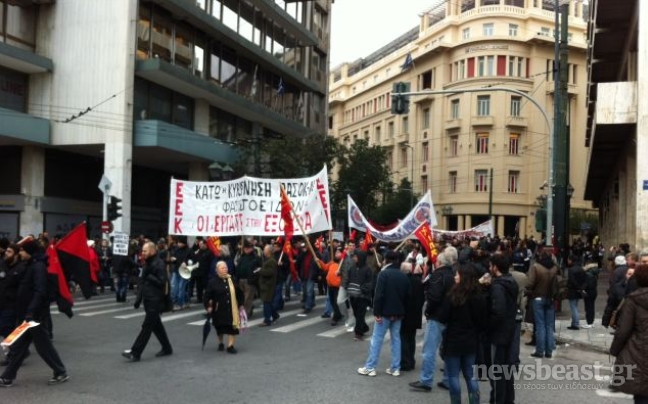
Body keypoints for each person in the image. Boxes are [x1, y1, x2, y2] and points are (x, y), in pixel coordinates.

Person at [0, 240, 69, 387]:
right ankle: (7, 377)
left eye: (22, 251)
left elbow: (40, 291)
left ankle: (60, 372)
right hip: (25, 314)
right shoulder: (30, 265)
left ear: (29, 252)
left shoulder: (38, 267)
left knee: (43, 347)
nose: (20, 253)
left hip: (33, 316)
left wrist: (31, 311)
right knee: (17, 346)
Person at [408, 248, 457, 392]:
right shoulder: (454, 274)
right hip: (451, 316)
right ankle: (448, 380)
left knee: (429, 350)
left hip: (437, 316)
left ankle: (426, 380)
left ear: (440, 262)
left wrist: (428, 311)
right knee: (448, 350)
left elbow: (434, 297)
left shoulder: (438, 275)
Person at [438, 262, 487, 404]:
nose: (455, 276)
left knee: (453, 376)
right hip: (471, 339)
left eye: (457, 274)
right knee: (470, 375)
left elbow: (442, 317)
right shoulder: (478, 296)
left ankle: (456, 402)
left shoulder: (453, 295)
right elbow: (482, 321)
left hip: (453, 339)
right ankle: (474, 401)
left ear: (463, 276)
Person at [357, 250, 410, 377]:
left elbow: (378, 295)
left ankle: (370, 367)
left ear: (386, 260)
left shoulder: (383, 274)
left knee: (377, 339)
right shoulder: (403, 276)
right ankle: (395, 368)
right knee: (396, 340)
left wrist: (376, 312)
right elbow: (408, 296)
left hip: (384, 312)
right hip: (398, 313)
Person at [122, 242, 173, 362]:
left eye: (145, 251)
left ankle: (136, 352)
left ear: (152, 251)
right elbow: (142, 283)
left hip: (155, 301)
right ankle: (167, 348)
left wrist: (150, 276)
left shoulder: (159, 264)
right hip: (148, 299)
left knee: (147, 326)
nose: (142, 253)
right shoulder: (148, 263)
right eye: (142, 251)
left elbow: (162, 282)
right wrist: (138, 300)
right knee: (156, 326)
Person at [609, 264, 648, 404]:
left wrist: (614, 350)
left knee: (642, 395)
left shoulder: (633, 300)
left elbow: (623, 331)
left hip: (639, 352)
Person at [204, 261, 244, 354]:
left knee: (232, 328)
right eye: (222, 268)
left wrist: (241, 304)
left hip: (231, 309)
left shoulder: (232, 279)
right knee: (220, 329)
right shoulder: (212, 282)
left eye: (226, 267)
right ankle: (221, 343)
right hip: (219, 310)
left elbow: (239, 293)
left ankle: (230, 346)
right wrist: (208, 306)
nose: (225, 269)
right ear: (217, 270)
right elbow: (207, 296)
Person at [526, 250, 558, 359]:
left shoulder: (536, 267)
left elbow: (530, 283)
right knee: (549, 326)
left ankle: (540, 351)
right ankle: (549, 351)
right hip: (551, 298)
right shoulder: (555, 268)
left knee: (540, 325)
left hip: (538, 297)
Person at [400, 260, 425, 372]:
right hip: (415, 313)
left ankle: (405, 362)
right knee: (411, 338)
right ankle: (411, 360)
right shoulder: (418, 281)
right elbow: (423, 298)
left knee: (404, 338)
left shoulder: (402, 281)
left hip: (405, 313)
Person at [344, 250, 373, 341]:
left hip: (363, 296)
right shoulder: (352, 268)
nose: (354, 258)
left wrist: (362, 289)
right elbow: (348, 278)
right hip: (353, 295)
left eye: (356, 257)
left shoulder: (367, 269)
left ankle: (358, 333)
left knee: (360, 314)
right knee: (356, 314)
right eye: (354, 257)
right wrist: (347, 286)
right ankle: (364, 327)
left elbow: (370, 282)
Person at [259, 245, 279, 327]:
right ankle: (275, 315)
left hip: (268, 285)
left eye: (264, 250)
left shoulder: (271, 261)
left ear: (269, 252)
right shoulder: (268, 260)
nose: (263, 251)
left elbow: (270, 272)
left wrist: (261, 270)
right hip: (267, 284)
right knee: (268, 302)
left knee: (266, 303)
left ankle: (267, 320)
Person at [566, 254, 587, 330]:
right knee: (575, 306)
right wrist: (581, 288)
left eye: (568, 259)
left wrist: (577, 287)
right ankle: (574, 323)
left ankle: (576, 324)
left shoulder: (571, 270)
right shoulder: (581, 269)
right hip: (579, 291)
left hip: (572, 290)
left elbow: (572, 280)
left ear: (571, 260)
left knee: (573, 308)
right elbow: (585, 280)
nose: (567, 261)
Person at [582, 257, 602, 328]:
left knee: (588, 307)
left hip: (589, 292)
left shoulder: (588, 273)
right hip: (594, 291)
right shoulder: (594, 271)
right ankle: (591, 322)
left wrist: (583, 289)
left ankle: (589, 323)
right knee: (591, 307)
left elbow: (587, 284)